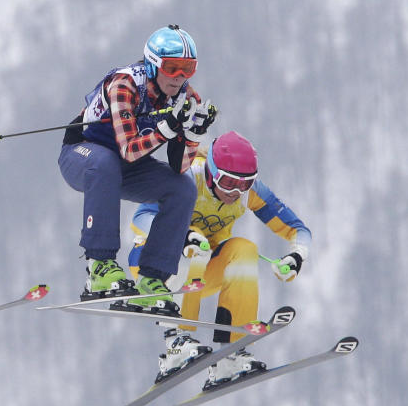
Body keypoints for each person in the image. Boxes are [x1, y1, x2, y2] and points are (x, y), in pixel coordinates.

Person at [128, 131, 311, 387]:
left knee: (244, 250)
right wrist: (182, 236)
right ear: (212, 172)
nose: (236, 192)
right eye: (227, 182)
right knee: (198, 243)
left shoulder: (248, 193)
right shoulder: (188, 176)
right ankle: (176, 341)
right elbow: (140, 219)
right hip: (152, 267)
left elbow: (298, 229)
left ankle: (232, 351)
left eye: (245, 183)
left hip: (199, 274)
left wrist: (296, 255)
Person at [59, 24, 217, 312]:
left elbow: (178, 166)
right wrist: (168, 128)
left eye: (188, 69)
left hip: (125, 167)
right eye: (172, 67)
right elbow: (129, 150)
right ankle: (100, 266)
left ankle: (153, 277)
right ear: (154, 64)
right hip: (83, 155)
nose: (179, 77)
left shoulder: (186, 98)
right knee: (104, 162)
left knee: (181, 188)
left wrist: (193, 133)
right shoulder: (125, 85)